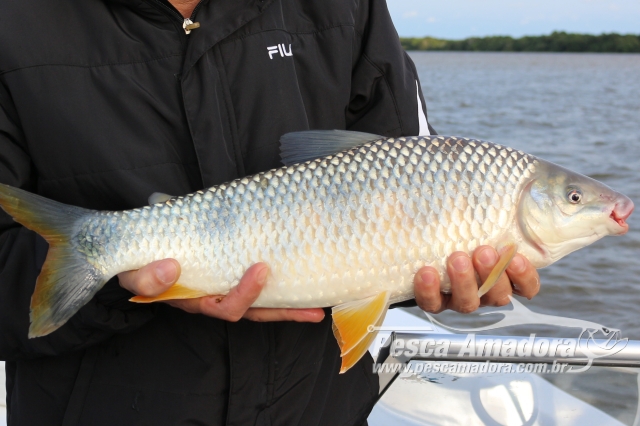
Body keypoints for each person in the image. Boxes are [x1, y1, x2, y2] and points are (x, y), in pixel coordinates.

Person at [0, 0, 540, 424]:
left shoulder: (351, 7)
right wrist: (124, 282)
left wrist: (434, 283)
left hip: (322, 411)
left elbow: (408, 189)